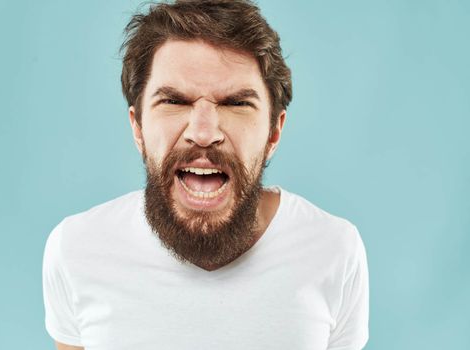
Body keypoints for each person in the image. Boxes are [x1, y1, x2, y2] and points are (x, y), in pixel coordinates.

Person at [42, 1, 369, 349]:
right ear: (137, 127)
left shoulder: (334, 249)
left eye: (236, 104)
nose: (203, 132)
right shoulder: (77, 248)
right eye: (174, 102)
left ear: (274, 132)